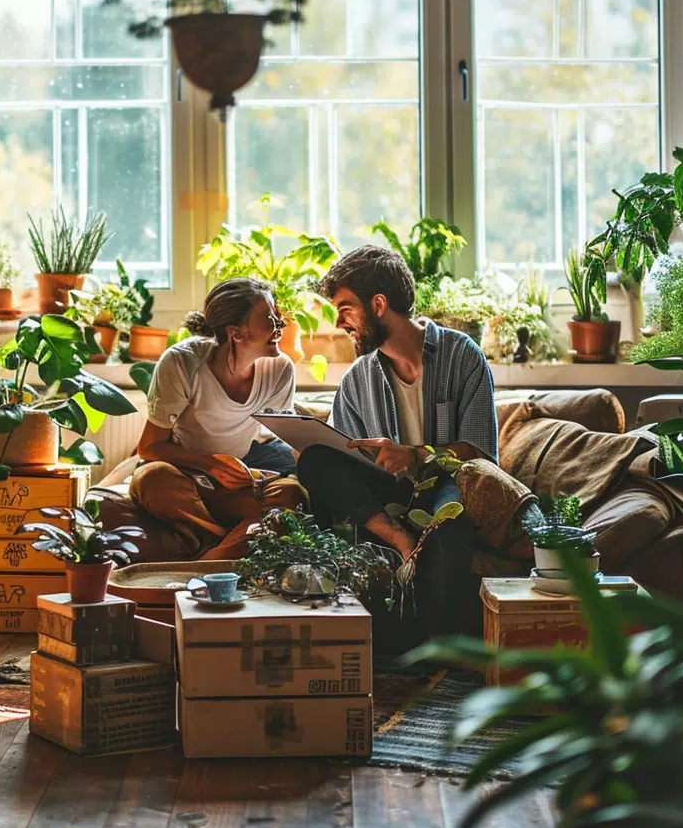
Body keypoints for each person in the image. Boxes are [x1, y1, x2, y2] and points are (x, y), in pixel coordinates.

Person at [297, 245, 497, 641]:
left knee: (450, 518)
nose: (340, 322)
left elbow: (480, 453)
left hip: (447, 484)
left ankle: (433, 651)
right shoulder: (358, 379)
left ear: (378, 303)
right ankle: (398, 538)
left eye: (345, 307)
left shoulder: (463, 356)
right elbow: (343, 456)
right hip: (385, 500)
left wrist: (417, 456)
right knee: (314, 461)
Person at [130, 277, 308, 559]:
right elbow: (149, 448)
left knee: (290, 495)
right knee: (151, 478)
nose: (280, 324)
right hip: (184, 479)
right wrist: (210, 464)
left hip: (234, 488)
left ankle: (204, 559)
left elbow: (286, 437)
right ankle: (225, 553)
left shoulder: (280, 369)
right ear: (236, 334)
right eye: (269, 318)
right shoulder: (182, 363)